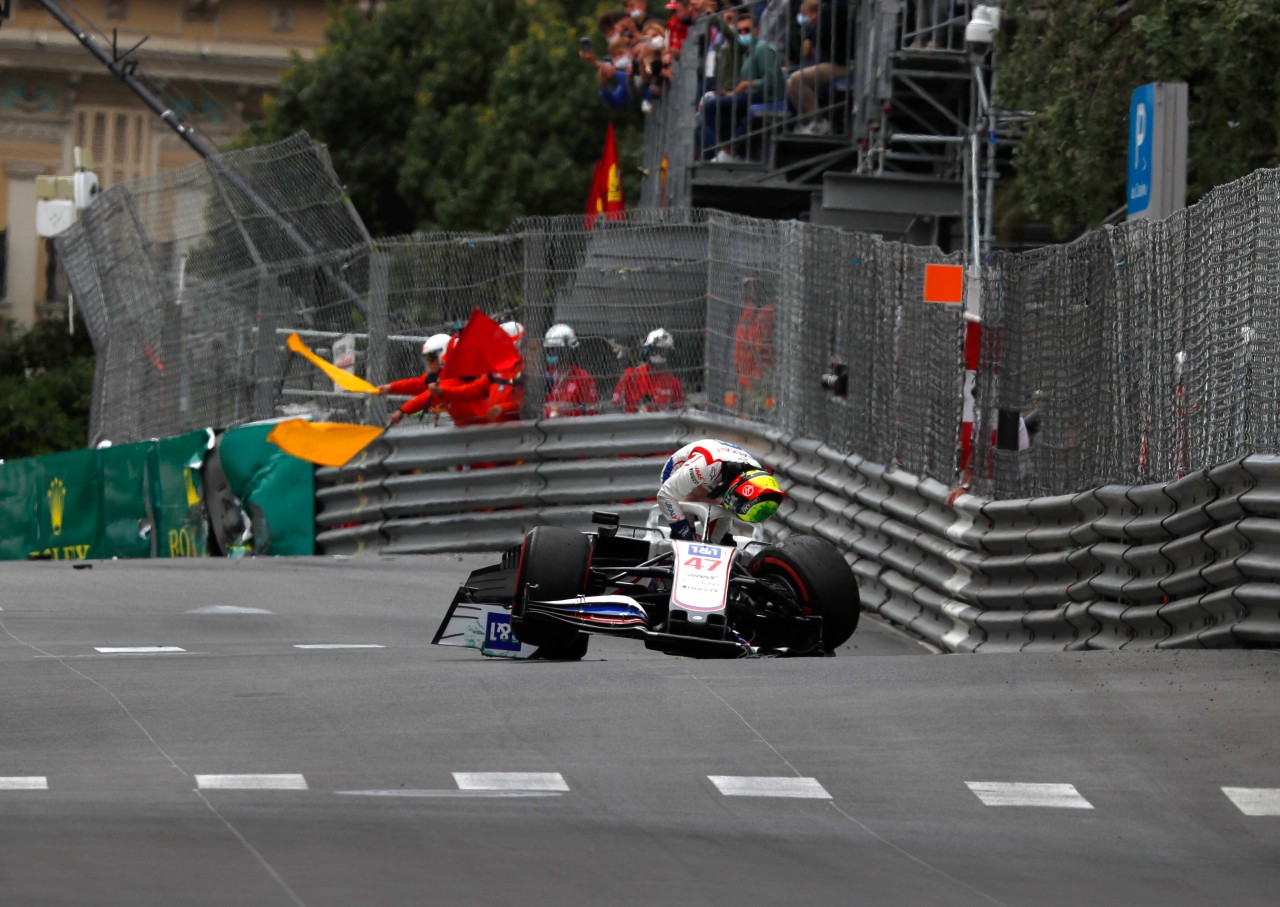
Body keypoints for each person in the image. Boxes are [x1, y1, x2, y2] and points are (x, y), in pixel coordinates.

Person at [658, 438, 786, 541]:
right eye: (738, 501)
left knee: (719, 541)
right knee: (685, 537)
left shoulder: (755, 472)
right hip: (679, 469)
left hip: (715, 477)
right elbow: (665, 495)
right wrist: (683, 531)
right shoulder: (706, 465)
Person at [700, 10, 784, 162]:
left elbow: (772, 81)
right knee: (713, 107)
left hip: (766, 96)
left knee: (712, 107)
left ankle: (730, 151)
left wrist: (746, 85)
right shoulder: (747, 54)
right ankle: (731, 151)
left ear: (757, 30)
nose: (743, 34)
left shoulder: (762, 48)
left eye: (747, 30)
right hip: (750, 96)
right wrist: (732, 93)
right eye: (740, 31)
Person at [787, 0, 851, 135]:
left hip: (840, 65)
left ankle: (818, 122)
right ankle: (806, 123)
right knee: (789, 79)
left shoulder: (835, 7)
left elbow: (819, 37)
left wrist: (814, 25)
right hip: (826, 62)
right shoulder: (828, 8)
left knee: (798, 80)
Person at [380, 333, 451, 426]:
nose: (429, 364)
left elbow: (431, 394)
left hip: (469, 428)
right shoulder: (434, 378)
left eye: (431, 359)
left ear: (443, 357)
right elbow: (418, 384)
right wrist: (390, 387)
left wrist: (402, 410)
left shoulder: (455, 378)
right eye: (427, 360)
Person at [612, 327, 686, 413]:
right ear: (647, 351)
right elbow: (615, 405)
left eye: (663, 351)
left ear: (669, 355)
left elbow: (678, 412)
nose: (658, 355)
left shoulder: (674, 384)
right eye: (655, 350)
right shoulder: (630, 375)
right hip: (632, 424)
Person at [542, 323, 599, 418]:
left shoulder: (582, 378)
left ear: (566, 352)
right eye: (549, 350)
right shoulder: (546, 375)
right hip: (547, 429)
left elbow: (592, 413)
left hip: (573, 429)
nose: (550, 354)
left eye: (554, 350)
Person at [488, 320, 526, 422]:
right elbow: (478, 388)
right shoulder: (499, 367)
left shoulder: (524, 367)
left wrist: (503, 408)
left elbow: (526, 401)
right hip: (496, 426)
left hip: (516, 427)